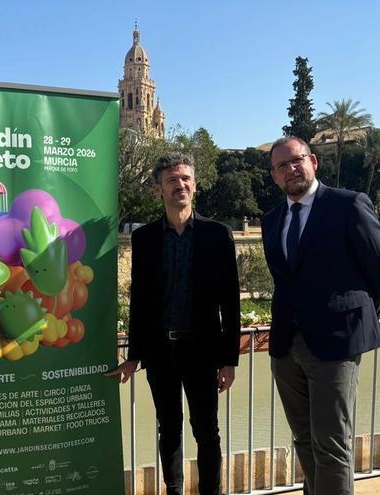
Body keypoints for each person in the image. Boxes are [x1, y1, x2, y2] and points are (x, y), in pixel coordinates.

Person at [262, 137, 380, 495]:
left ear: (313, 161)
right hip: (287, 347)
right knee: (304, 440)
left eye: (296, 161)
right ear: (274, 176)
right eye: (281, 166)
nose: (290, 170)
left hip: (335, 345)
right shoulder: (272, 220)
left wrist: (354, 321)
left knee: (332, 445)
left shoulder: (348, 205)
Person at [107, 152, 240, 495]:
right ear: (158, 189)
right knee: (169, 429)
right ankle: (175, 490)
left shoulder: (217, 235)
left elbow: (230, 301)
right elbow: (140, 300)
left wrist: (229, 359)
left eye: (185, 179)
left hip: (203, 351)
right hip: (160, 352)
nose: (179, 185)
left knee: (207, 431)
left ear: (194, 185)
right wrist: (135, 354)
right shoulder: (145, 238)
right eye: (171, 180)